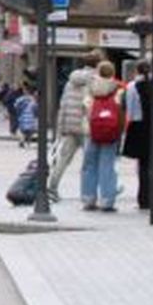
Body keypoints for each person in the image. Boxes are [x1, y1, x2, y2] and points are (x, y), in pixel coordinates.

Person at [49, 51, 103, 198]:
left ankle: (52, 187)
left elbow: (63, 104)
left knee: (63, 159)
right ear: (97, 64)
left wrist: (61, 127)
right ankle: (88, 193)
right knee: (90, 162)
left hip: (70, 126)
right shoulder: (96, 81)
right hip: (87, 127)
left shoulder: (70, 81)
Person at [122, 63, 153, 211]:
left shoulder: (131, 87)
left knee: (143, 166)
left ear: (136, 70)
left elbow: (129, 110)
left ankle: (144, 199)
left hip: (139, 127)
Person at [80, 61, 124, 211]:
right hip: (110, 132)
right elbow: (120, 112)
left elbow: (85, 108)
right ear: (112, 73)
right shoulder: (118, 89)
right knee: (107, 165)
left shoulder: (90, 88)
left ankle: (88, 198)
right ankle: (107, 199)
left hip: (91, 130)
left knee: (89, 165)